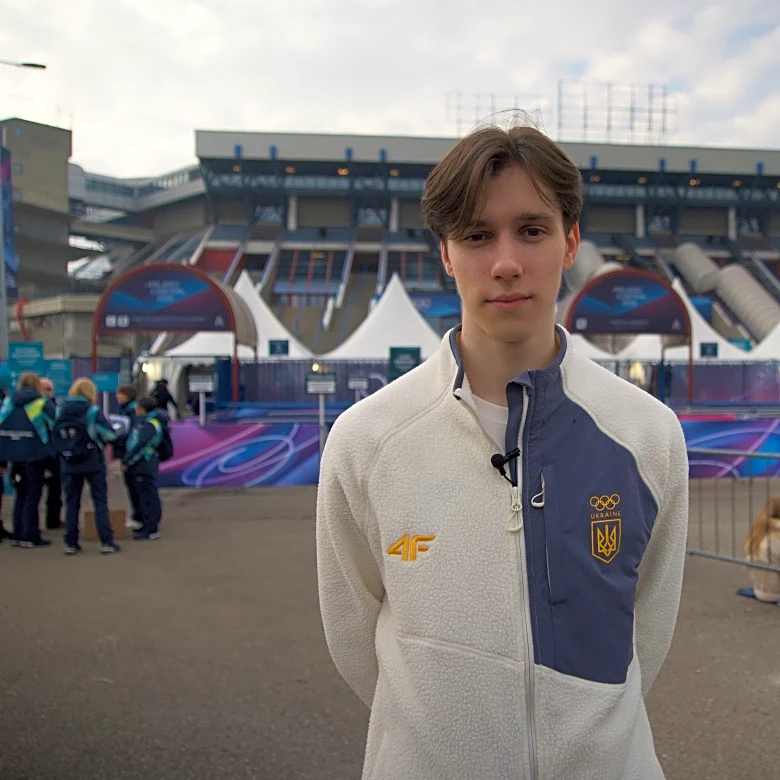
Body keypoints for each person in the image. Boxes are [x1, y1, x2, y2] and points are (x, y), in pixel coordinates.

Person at [316, 122, 689, 780]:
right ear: (446, 253)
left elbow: (647, 633)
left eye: (532, 230)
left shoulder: (648, 435)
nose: (506, 261)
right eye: (478, 235)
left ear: (571, 242)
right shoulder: (367, 441)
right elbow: (353, 634)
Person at [55, 378, 120, 555]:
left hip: (68, 461)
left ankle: (71, 542)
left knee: (71, 503)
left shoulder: (60, 409)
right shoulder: (92, 411)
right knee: (99, 501)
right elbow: (110, 435)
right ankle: (106, 541)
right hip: (93, 461)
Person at [0, 372, 55, 547]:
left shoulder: (9, 401)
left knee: (20, 494)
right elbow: (55, 423)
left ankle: (17, 533)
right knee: (33, 495)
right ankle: (30, 535)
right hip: (35, 454)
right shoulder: (41, 403)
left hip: (14, 454)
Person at [122, 396, 164, 540]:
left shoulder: (150, 425)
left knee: (148, 495)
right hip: (145, 462)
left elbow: (140, 444)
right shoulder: (148, 422)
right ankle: (147, 524)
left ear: (142, 409)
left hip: (144, 463)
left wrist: (127, 460)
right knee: (143, 494)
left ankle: (151, 528)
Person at [113, 384, 142, 531]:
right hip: (126, 452)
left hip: (129, 453)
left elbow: (132, 434)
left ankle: (139, 517)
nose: (117, 396)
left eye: (120, 394)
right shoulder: (126, 410)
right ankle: (138, 515)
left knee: (134, 486)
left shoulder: (131, 412)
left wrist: (114, 438)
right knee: (133, 486)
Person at [39, 377, 63, 530]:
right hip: (41, 452)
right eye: (44, 389)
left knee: (55, 489)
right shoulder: (41, 406)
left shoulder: (55, 405)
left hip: (53, 452)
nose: (48, 392)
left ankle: (53, 520)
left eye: (49, 389)